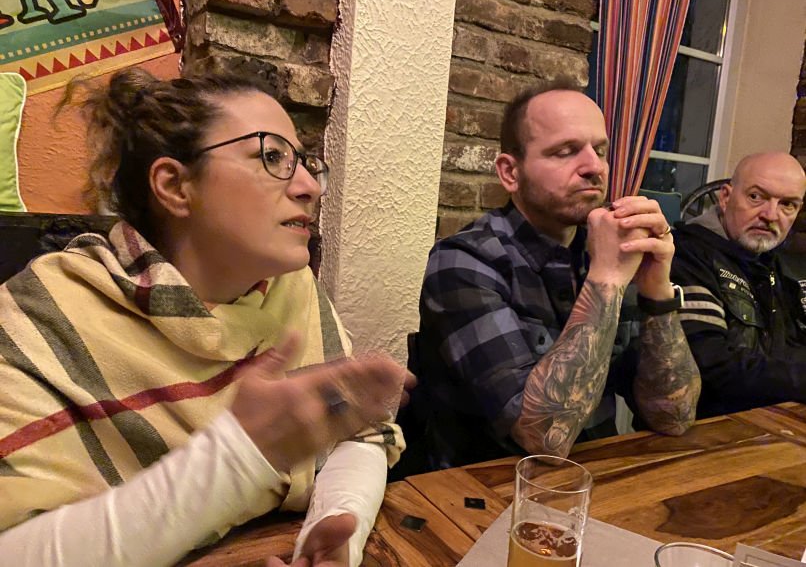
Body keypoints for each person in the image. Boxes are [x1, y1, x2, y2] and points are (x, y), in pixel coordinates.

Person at [0, 68, 411, 567]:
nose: (308, 186)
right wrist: (238, 456)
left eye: (305, 164)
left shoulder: (292, 290)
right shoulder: (42, 317)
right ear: (175, 186)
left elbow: (359, 437)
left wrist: (338, 522)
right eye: (272, 156)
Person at [404, 84, 701, 471]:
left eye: (600, 150)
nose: (594, 167)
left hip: (597, 480)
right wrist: (607, 279)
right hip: (486, 491)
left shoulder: (607, 249)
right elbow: (543, 438)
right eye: (565, 151)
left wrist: (656, 290)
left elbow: (674, 415)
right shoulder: (464, 262)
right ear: (510, 172)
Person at [671, 152, 806, 417]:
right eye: (756, 197)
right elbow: (708, 364)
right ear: (725, 197)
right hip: (704, 430)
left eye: (787, 204)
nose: (770, 215)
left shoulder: (773, 262)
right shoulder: (684, 254)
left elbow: (790, 346)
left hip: (770, 421)